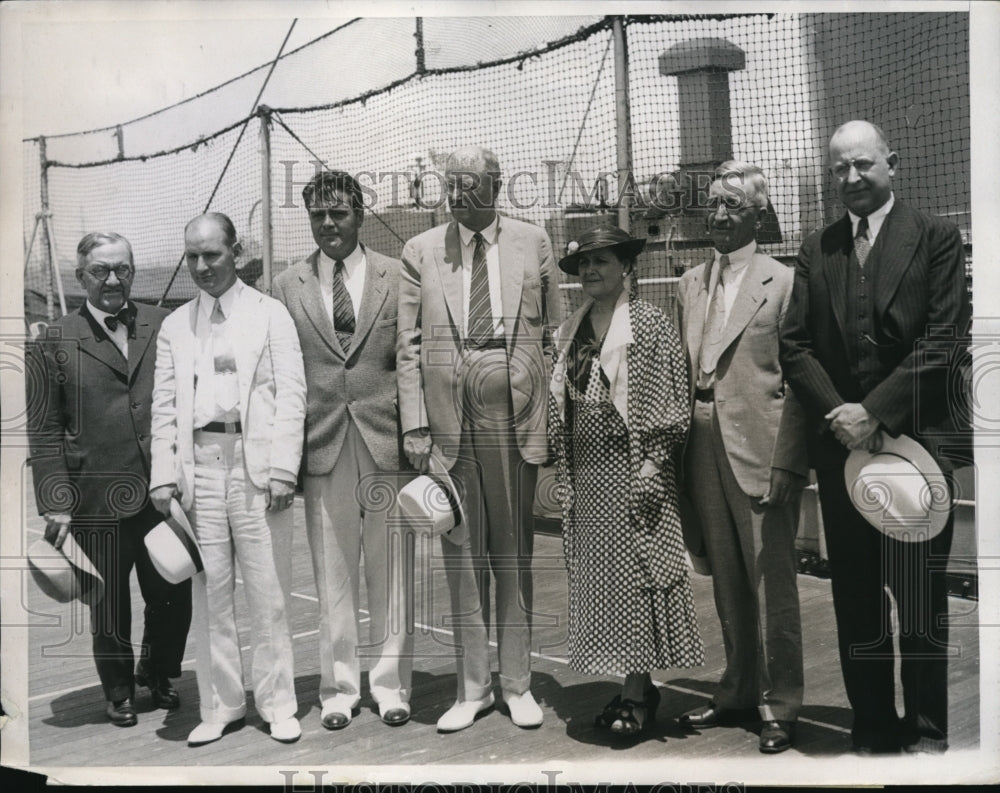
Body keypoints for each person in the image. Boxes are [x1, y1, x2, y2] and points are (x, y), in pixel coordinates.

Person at [780, 120, 971, 754]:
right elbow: (795, 345)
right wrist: (843, 417)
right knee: (857, 597)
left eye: (862, 164)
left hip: (918, 447)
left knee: (918, 599)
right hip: (843, 452)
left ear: (892, 162)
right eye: (840, 168)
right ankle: (872, 728)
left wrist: (876, 412)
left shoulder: (936, 237)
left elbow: (944, 340)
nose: (852, 178)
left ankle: (926, 733)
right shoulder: (818, 247)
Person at [396, 145, 562, 731]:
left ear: (496, 185)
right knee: (462, 556)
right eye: (450, 185)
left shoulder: (533, 241)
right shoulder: (420, 251)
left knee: (514, 553)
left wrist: (548, 413)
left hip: (514, 415)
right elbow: (409, 346)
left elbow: (553, 334)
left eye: (469, 183)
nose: (457, 194)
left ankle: (517, 684)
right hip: (449, 422)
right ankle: (472, 689)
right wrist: (415, 424)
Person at [149, 212, 306, 746]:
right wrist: (163, 476)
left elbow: (292, 395)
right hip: (199, 471)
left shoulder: (270, 314)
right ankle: (221, 706)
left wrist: (283, 469)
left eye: (211, 254)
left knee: (269, 594)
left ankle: (278, 704)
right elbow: (164, 408)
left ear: (235, 253)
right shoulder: (175, 325)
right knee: (210, 596)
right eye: (192, 256)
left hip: (256, 469)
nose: (201, 266)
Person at [26, 232, 192, 728]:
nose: (113, 280)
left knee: (172, 595)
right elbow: (44, 429)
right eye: (100, 271)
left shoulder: (164, 323)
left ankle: (157, 672)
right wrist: (56, 501)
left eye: (122, 269)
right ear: (82, 277)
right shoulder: (52, 340)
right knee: (109, 604)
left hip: (161, 491)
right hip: (95, 497)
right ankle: (118, 691)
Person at [547, 223, 704, 737]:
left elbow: (670, 398)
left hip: (632, 471)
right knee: (604, 581)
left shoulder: (649, 323)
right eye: (584, 263)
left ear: (627, 267)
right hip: (586, 476)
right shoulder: (571, 328)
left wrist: (652, 465)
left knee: (638, 578)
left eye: (602, 261)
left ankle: (637, 693)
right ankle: (634, 684)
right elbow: (563, 405)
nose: (591, 270)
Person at [675, 163, 808, 753]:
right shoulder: (690, 282)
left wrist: (788, 462)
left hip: (760, 448)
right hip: (702, 445)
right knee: (726, 575)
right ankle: (736, 689)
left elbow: (798, 380)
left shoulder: (784, 282)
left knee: (771, 581)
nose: (719, 214)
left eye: (732, 204)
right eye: (713, 203)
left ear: (759, 214)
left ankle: (780, 703)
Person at [272, 171, 412, 730]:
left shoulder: (397, 274)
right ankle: (338, 689)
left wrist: (417, 432)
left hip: (386, 440)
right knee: (332, 574)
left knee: (390, 569)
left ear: (359, 214)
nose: (328, 223)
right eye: (318, 215)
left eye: (339, 213)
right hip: (322, 443)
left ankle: (391, 685)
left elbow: (411, 360)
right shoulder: (286, 285)